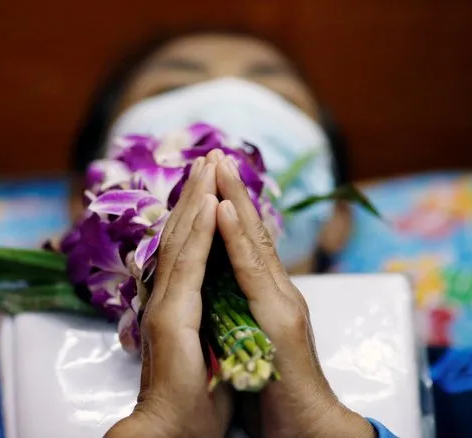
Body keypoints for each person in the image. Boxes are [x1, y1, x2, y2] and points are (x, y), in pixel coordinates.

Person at [73, 33, 396, 437]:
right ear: (83, 203)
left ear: (338, 217)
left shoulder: (458, 387)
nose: (229, 100)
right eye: (173, 88)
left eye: (277, 96)